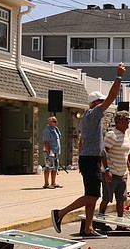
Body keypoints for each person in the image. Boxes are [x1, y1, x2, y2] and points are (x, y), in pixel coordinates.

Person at [51, 62, 125, 238]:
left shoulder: (91, 119)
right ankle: (60, 213)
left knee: (91, 196)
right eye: (101, 102)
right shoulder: (93, 114)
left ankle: (88, 228)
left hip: (92, 158)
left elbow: (95, 145)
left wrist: (106, 168)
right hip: (90, 160)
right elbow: (112, 97)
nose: (104, 105)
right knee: (92, 196)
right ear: (94, 103)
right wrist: (118, 76)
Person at [98, 110, 130, 229]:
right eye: (126, 120)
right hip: (111, 173)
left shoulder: (126, 136)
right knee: (107, 199)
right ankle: (100, 222)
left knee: (121, 200)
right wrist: (107, 170)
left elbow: (125, 154)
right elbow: (103, 153)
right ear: (118, 122)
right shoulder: (112, 135)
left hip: (122, 173)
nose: (128, 122)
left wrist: (129, 168)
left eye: (129, 119)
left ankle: (120, 224)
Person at [42, 116, 63, 189]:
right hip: (50, 152)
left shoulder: (55, 130)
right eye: (54, 121)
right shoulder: (47, 130)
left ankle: (53, 183)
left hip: (55, 152)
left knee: (55, 168)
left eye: (57, 121)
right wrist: (49, 152)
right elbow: (45, 142)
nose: (56, 123)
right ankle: (46, 183)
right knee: (48, 167)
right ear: (49, 122)